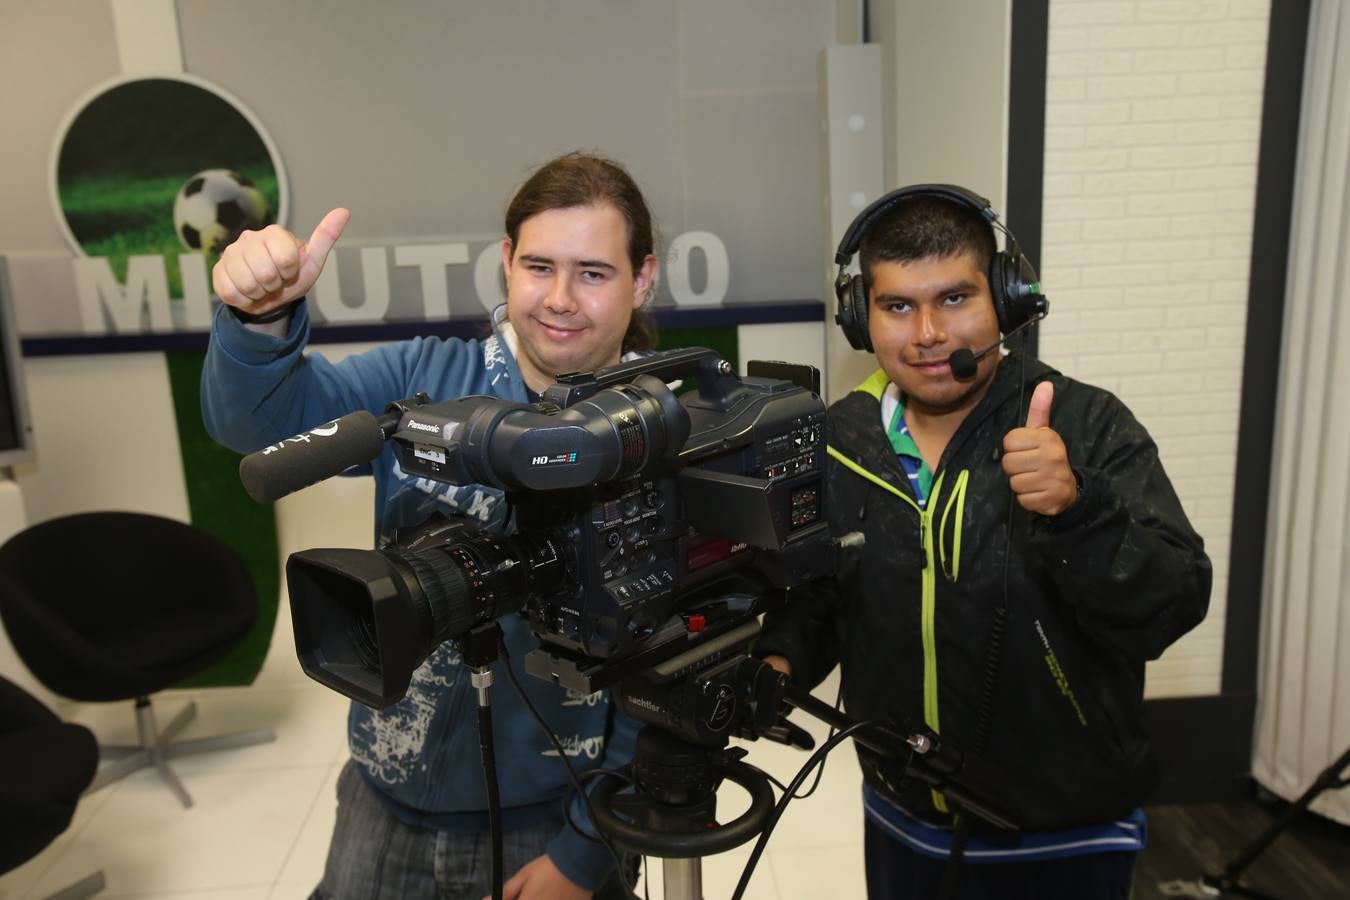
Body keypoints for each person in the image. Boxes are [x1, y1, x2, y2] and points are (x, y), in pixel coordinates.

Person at [201, 151, 660, 900]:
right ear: (507, 262)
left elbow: (672, 679)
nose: (560, 298)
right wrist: (260, 318)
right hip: (382, 802)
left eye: (595, 273)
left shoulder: (664, 430)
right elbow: (258, 425)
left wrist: (587, 853)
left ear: (642, 278)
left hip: (556, 821)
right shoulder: (425, 379)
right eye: (539, 266)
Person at [756, 185, 1212, 899]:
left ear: (1006, 298)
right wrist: (782, 657)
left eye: (955, 299)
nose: (929, 333)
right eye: (897, 306)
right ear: (859, 316)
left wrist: (1075, 508)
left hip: (1063, 834)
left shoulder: (1085, 424)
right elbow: (823, 592)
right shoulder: (842, 439)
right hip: (901, 816)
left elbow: (1174, 602)